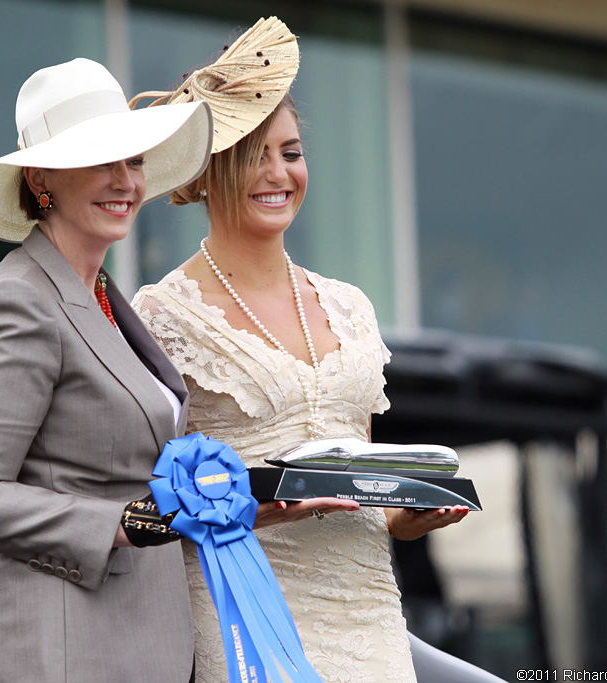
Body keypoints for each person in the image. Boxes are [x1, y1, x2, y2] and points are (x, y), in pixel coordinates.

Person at [131, 17, 470, 683]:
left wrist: (413, 512)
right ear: (209, 171)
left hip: (369, 613)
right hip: (244, 610)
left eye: (291, 151)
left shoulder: (350, 305)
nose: (278, 173)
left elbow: (372, 489)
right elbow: (147, 507)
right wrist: (253, 507)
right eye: (254, 154)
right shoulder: (161, 314)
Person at [0, 58, 213, 682]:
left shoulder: (102, 295)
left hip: (138, 644)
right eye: (99, 161)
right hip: (62, 653)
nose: (125, 181)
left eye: (134, 161)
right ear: (42, 180)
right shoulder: (20, 299)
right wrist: (121, 525)